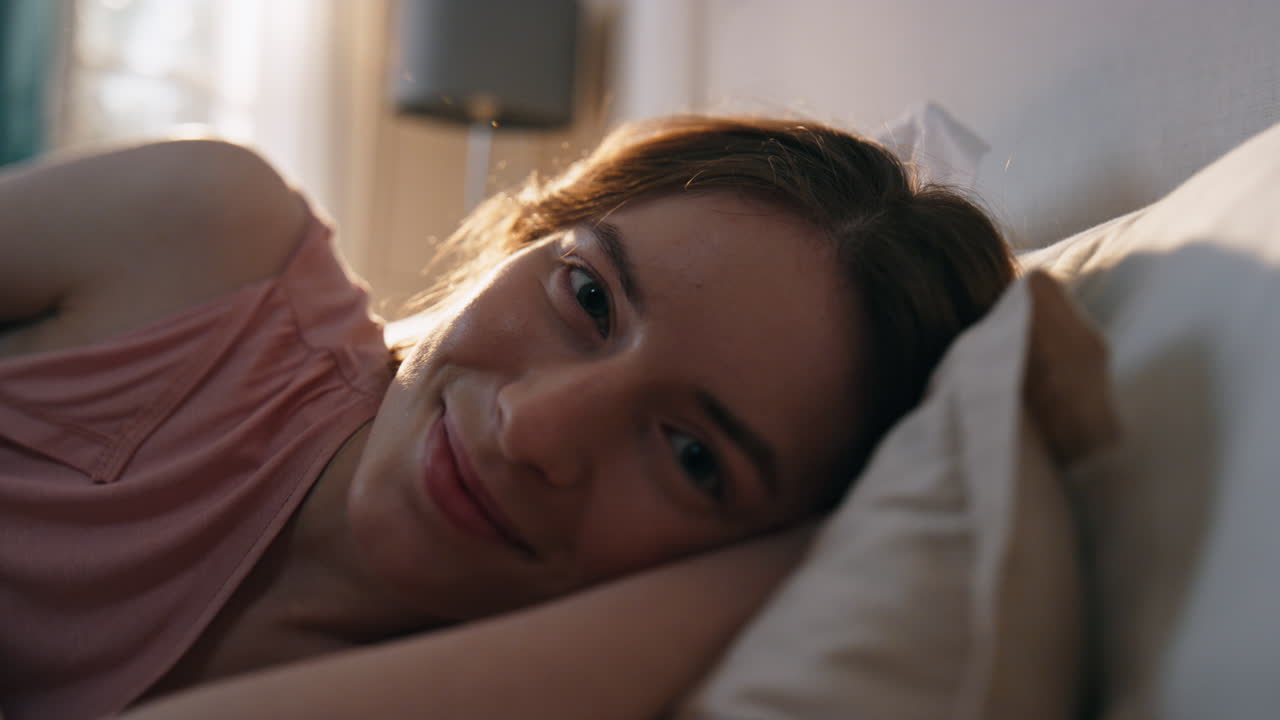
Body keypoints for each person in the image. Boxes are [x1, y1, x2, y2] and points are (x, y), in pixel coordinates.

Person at [0, 115, 1113, 720]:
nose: (534, 428)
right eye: (586, 296)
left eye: (691, 456)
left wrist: (827, 546)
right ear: (524, 235)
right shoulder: (199, 244)